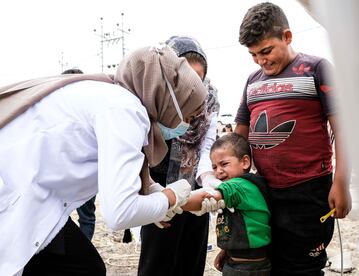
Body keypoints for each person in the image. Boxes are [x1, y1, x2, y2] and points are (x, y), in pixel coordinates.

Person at [0, 44, 207, 276]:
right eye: (187, 115)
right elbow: (120, 213)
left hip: (34, 198)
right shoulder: (125, 110)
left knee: (83, 266)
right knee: (84, 268)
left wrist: (157, 202)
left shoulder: (110, 95)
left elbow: (126, 181)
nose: (186, 125)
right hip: (18, 197)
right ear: (168, 100)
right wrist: (170, 197)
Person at [234, 3, 351, 275]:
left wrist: (342, 182)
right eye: (253, 55)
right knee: (267, 263)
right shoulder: (252, 81)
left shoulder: (317, 69)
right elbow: (239, 135)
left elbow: (344, 130)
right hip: (262, 192)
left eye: (266, 51)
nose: (261, 61)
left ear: (287, 37)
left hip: (308, 192)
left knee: (303, 267)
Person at [138, 35, 222, 276]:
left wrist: (207, 178)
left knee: (191, 260)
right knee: (158, 262)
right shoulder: (150, 94)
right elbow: (140, 149)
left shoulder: (210, 99)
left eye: (199, 79)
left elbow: (207, 144)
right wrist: (149, 190)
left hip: (194, 188)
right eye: (186, 79)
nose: (193, 88)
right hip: (158, 186)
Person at [183, 133, 272, 275]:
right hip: (241, 261)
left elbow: (206, 198)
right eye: (214, 167)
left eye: (224, 164)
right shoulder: (245, 187)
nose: (218, 171)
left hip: (246, 269)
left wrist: (171, 202)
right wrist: (226, 251)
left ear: (245, 162)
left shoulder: (239, 186)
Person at [61, 68, 97, 241]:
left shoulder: (58, 110)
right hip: (87, 172)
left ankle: (75, 251)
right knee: (86, 217)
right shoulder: (89, 109)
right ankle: (84, 249)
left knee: (59, 215)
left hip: (69, 172)